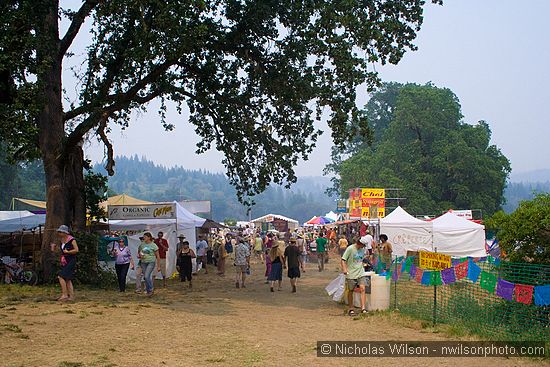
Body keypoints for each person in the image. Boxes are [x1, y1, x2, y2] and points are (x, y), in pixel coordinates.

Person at [50, 225, 79, 302]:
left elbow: (76, 250)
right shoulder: (61, 240)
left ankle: (65, 294)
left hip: (71, 260)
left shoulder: (72, 240)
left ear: (65, 232)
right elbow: (60, 252)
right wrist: (53, 249)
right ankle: (71, 296)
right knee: (67, 279)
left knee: (61, 276)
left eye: (60, 232)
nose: (59, 233)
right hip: (65, 260)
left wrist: (68, 252)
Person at [341, 238, 368, 316]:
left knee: (363, 289)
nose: (363, 247)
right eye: (362, 245)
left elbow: (362, 259)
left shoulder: (363, 250)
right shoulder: (350, 249)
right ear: (359, 243)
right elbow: (343, 259)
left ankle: (363, 308)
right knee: (351, 290)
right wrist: (344, 269)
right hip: (351, 273)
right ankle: (351, 308)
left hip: (360, 272)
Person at [138, 232, 161, 297]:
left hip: (151, 262)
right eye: (143, 237)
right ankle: (149, 291)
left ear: (149, 237)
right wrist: (140, 255)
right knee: (146, 277)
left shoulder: (154, 245)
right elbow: (139, 252)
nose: (144, 238)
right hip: (143, 262)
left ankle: (151, 289)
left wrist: (158, 266)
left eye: (145, 237)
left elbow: (158, 256)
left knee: (146, 276)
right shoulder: (142, 245)